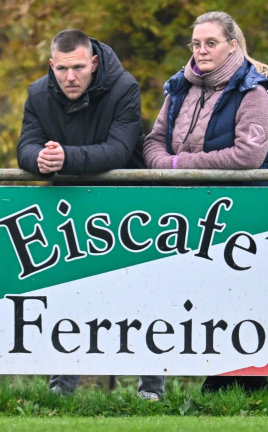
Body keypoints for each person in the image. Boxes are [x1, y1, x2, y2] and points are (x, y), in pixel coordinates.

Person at [17, 28, 164, 400]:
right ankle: (60, 391)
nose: (70, 77)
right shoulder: (38, 93)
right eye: (62, 69)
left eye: (79, 68)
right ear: (52, 65)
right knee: (68, 297)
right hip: (70, 211)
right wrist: (39, 159)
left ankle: (151, 390)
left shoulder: (124, 87)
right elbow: (26, 146)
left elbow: (118, 150)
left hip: (128, 210)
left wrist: (66, 157)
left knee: (139, 298)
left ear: (93, 62)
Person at [143, 11, 268, 394]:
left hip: (242, 213)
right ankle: (226, 387)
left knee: (238, 302)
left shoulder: (252, 91)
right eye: (196, 44)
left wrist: (181, 166)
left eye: (210, 43)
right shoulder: (179, 89)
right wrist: (164, 167)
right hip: (188, 215)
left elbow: (249, 155)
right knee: (199, 301)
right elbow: (153, 140)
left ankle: (244, 386)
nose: (201, 51)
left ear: (232, 45)